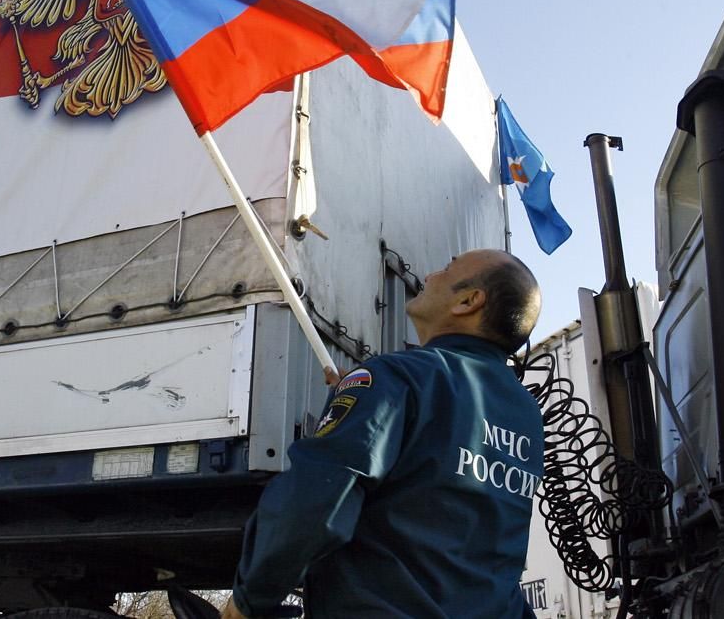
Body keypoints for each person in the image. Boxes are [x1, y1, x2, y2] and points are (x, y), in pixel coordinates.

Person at [221, 249, 545, 618]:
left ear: (468, 301)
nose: (430, 276)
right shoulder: (525, 412)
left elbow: (317, 497)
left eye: (446, 268)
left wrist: (250, 599)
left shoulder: (398, 377)